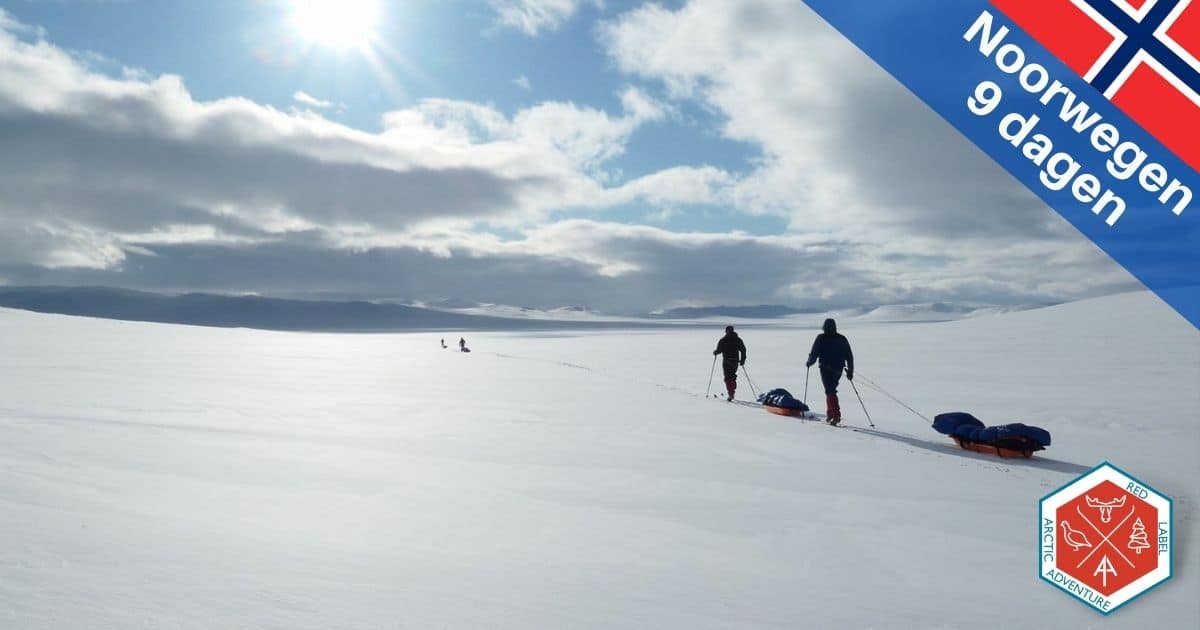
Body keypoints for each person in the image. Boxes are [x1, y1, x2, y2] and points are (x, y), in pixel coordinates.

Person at [806, 318, 854, 425]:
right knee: (830, 390)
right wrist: (850, 371)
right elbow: (849, 356)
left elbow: (814, 353)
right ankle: (830, 414)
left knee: (830, 390)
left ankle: (835, 415)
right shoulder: (842, 338)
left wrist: (810, 362)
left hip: (825, 368)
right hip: (838, 369)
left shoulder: (821, 337)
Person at [713, 325, 747, 401]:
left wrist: (716, 352)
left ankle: (731, 393)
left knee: (728, 377)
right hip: (735, 361)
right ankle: (732, 392)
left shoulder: (723, 340)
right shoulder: (738, 339)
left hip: (726, 361)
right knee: (732, 376)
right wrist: (742, 360)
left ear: (726, 331)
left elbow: (719, 350)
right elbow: (743, 350)